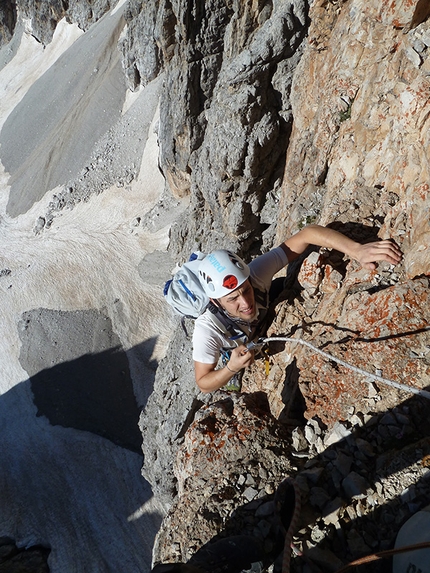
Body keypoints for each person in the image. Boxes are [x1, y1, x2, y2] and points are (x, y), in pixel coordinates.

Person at [193, 224, 402, 393]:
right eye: (233, 299)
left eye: (246, 290)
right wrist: (231, 368)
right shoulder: (207, 330)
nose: (246, 302)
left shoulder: (255, 275)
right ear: (215, 301)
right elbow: (203, 383)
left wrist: (356, 250)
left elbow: (307, 234)